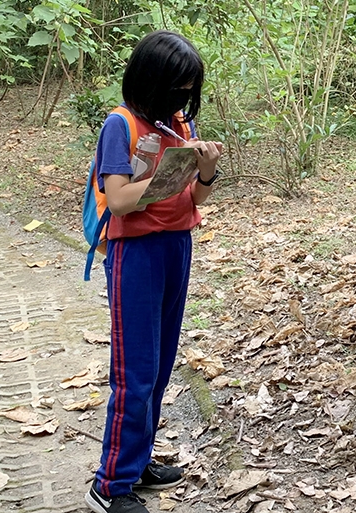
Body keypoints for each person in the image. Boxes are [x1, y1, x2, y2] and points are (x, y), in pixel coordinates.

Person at [85, 30, 223, 513]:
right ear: (151, 80)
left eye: (189, 90)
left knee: (161, 365)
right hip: (136, 255)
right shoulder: (120, 126)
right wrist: (160, 177)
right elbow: (119, 200)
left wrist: (203, 169)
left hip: (176, 246)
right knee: (136, 371)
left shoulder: (177, 125)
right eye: (177, 89)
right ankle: (111, 484)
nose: (183, 99)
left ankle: (137, 460)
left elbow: (196, 198)